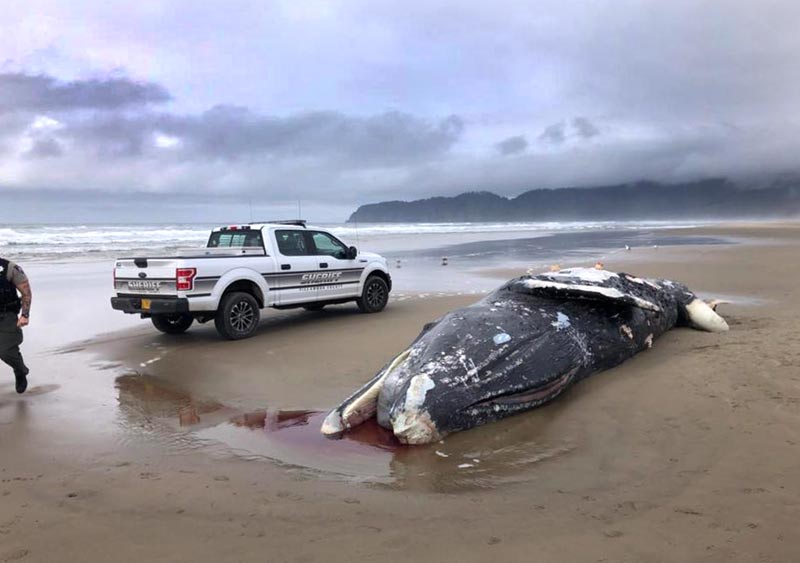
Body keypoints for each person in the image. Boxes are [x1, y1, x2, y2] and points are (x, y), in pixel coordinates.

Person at [0, 257, 31, 393]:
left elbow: (26, 293)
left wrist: (25, 315)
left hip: (6, 315)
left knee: (6, 352)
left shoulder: (9, 268)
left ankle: (20, 371)